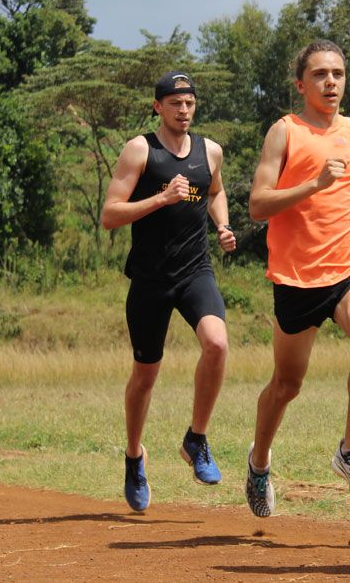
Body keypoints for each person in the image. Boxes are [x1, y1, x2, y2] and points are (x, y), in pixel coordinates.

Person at [244, 40, 350, 518]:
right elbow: (257, 205)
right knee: (287, 385)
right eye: (320, 75)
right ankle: (259, 460)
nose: (331, 82)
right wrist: (313, 185)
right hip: (296, 277)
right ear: (301, 84)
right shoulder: (284, 132)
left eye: (338, 73)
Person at [101, 71, 237, 512]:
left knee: (216, 344)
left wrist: (222, 224)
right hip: (150, 280)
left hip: (196, 271)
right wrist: (162, 198)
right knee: (145, 376)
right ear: (158, 106)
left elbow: (215, 191)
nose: (184, 110)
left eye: (190, 103)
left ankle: (196, 439)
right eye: (175, 103)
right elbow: (110, 215)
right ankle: (134, 455)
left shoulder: (209, 150)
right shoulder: (140, 149)